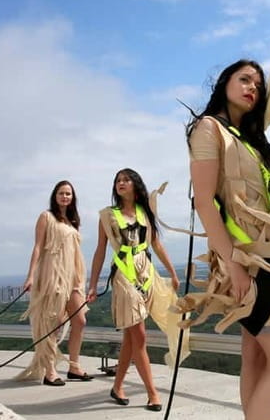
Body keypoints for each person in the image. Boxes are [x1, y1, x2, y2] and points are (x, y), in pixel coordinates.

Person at [177, 59, 270, 420]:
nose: (253, 87)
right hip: (250, 266)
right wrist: (233, 266)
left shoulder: (247, 138)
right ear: (225, 83)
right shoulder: (208, 129)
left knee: (256, 357)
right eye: (245, 79)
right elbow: (204, 203)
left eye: (258, 85)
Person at [87, 168, 182, 412]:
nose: (121, 183)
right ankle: (153, 393)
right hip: (123, 276)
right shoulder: (108, 216)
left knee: (131, 337)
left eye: (126, 179)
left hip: (146, 274)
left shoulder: (144, 212)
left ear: (134, 184)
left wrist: (172, 272)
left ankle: (117, 386)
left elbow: (157, 244)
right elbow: (100, 250)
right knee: (139, 335)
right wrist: (93, 283)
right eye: (118, 180)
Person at [16, 180, 93, 386]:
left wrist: (80, 280)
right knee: (53, 323)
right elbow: (38, 247)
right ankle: (49, 371)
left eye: (68, 194)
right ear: (55, 195)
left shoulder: (72, 221)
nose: (65, 197)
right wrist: (30, 275)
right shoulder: (46, 217)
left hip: (73, 277)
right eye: (61, 193)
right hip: (52, 275)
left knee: (80, 320)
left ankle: (74, 366)